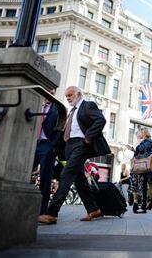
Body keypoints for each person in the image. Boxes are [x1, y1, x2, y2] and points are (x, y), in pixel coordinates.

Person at [38, 86, 111, 224]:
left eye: (70, 95)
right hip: (69, 146)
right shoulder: (71, 111)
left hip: (81, 144)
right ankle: (93, 209)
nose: (68, 98)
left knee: (66, 174)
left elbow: (100, 120)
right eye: (66, 96)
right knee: (79, 179)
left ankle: (51, 213)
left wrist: (88, 138)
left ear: (78, 94)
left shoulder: (87, 105)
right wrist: (57, 147)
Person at [32, 90, 59, 215]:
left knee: (45, 178)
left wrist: (53, 146)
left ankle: (42, 210)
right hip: (32, 144)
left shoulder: (57, 108)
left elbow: (60, 127)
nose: (49, 94)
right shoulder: (34, 103)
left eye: (52, 92)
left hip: (47, 145)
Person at [130, 128, 152, 214]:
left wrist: (137, 145)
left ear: (143, 133)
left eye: (139, 132)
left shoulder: (148, 141)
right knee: (141, 185)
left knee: (143, 186)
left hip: (145, 166)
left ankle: (144, 207)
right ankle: (141, 205)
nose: (138, 134)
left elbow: (141, 149)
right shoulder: (144, 142)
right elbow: (139, 151)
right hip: (141, 165)